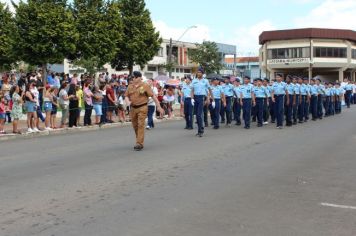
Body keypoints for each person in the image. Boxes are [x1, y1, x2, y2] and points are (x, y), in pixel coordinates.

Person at [124, 71, 163, 151]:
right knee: (135, 126)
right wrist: (127, 101)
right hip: (133, 108)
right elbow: (126, 96)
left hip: (142, 107)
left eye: (134, 77)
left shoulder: (145, 86)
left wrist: (159, 107)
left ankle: (139, 143)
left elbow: (153, 96)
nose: (132, 79)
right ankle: (139, 140)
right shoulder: (130, 86)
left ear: (139, 78)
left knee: (141, 124)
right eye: (132, 78)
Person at [190, 68, 213, 137]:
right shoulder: (194, 81)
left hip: (202, 97)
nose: (198, 73)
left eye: (200, 72)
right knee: (197, 115)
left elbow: (209, 90)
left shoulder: (205, 81)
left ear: (202, 74)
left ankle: (201, 130)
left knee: (199, 114)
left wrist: (209, 99)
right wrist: (192, 98)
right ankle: (200, 129)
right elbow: (192, 90)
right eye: (198, 72)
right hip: (196, 97)